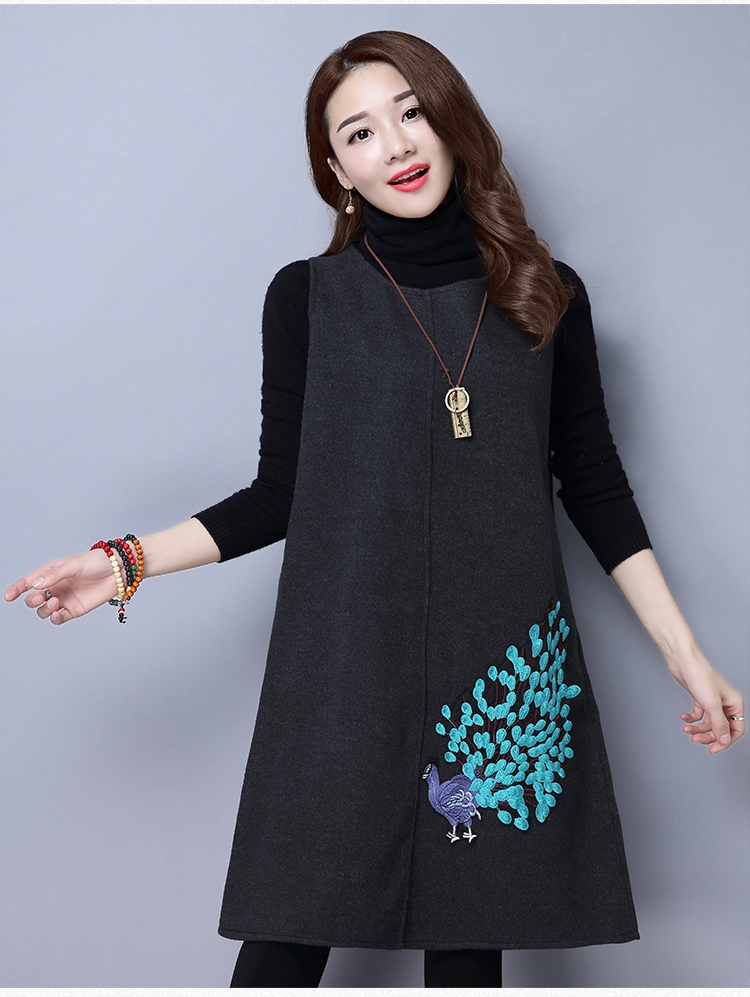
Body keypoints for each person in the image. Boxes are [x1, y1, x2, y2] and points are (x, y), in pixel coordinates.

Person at [4, 30, 744, 989]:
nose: (394, 144)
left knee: (470, 943)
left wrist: (689, 657)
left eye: (411, 112)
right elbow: (281, 493)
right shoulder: (308, 299)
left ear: (452, 122)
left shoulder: (547, 294)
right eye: (359, 132)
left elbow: (596, 485)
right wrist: (123, 562)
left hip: (494, 664)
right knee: (286, 935)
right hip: (344, 663)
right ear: (336, 169)